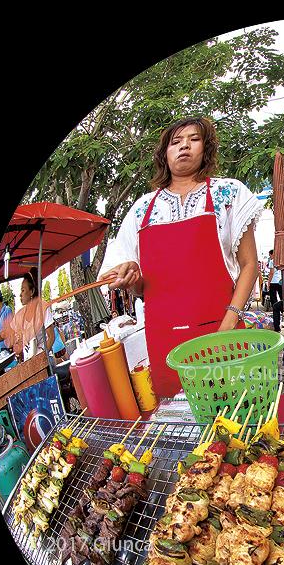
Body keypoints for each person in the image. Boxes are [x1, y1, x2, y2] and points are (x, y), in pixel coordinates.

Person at [99, 116, 261, 397]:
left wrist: (229, 324)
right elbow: (137, 287)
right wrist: (131, 278)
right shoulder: (141, 210)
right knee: (178, 426)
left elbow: (250, 265)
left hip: (221, 332)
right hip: (164, 341)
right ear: (164, 154)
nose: (184, 146)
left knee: (231, 422)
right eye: (175, 142)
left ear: (206, 149)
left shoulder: (229, 194)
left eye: (194, 139)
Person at [0, 270, 55, 362]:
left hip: (45, 360)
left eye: (23, 290)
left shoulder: (43, 308)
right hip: (30, 361)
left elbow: (51, 337)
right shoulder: (21, 314)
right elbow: (6, 332)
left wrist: (42, 359)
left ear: (32, 291)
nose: (20, 295)